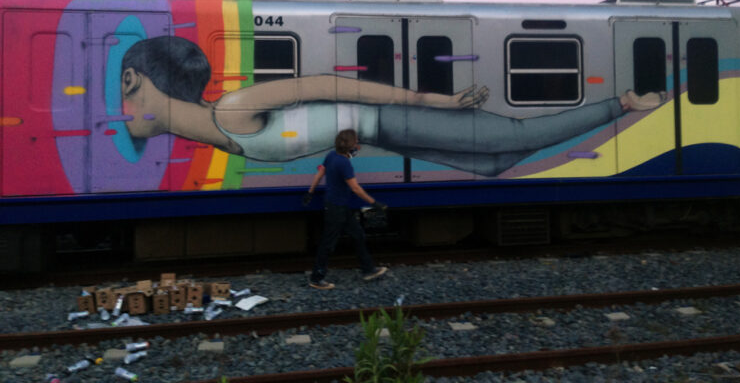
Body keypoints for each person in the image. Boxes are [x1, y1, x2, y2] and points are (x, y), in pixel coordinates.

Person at [120, 36, 665, 176]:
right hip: (387, 135)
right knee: (496, 163)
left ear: (135, 80)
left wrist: (437, 101)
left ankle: (624, 102)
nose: (121, 112)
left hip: (392, 119)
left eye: (125, 93)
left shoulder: (235, 111)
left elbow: (336, 86)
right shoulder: (222, 133)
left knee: (516, 138)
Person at [303, 129, 388, 289]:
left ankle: (368, 270)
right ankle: (316, 278)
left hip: (337, 206)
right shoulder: (344, 163)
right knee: (328, 243)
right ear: (350, 145)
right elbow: (355, 188)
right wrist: (374, 203)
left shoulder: (331, 155)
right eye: (356, 141)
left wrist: (310, 192)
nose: (357, 143)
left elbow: (319, 174)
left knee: (358, 235)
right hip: (336, 208)